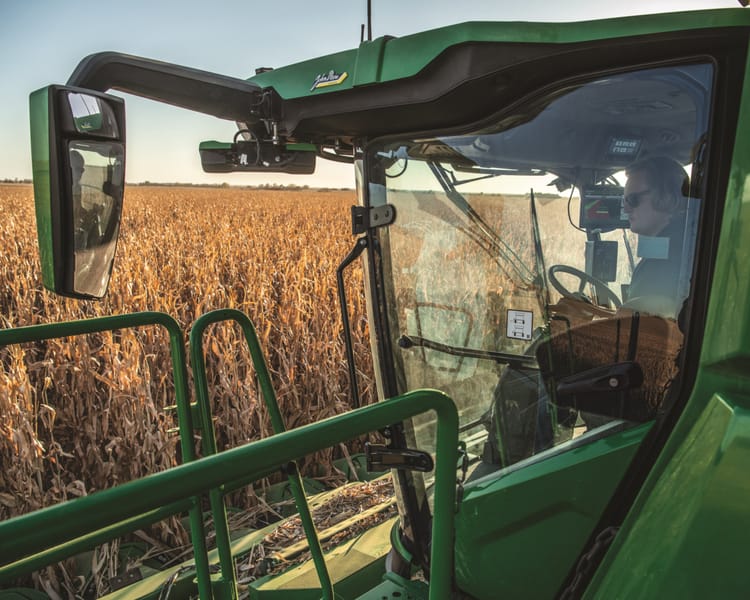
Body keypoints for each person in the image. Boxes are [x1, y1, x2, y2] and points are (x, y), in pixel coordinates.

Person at [622, 156, 691, 319]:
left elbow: (639, 332)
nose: (626, 209)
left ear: (666, 196)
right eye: (624, 200)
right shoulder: (681, 244)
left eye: (633, 200)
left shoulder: (667, 261)